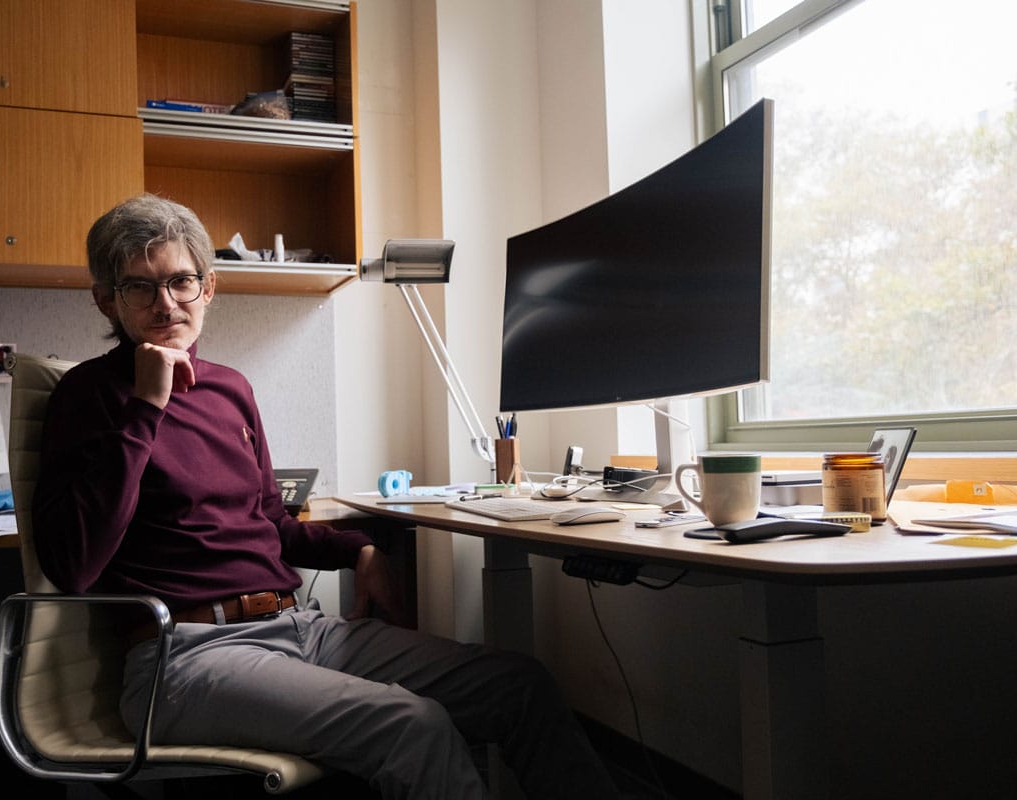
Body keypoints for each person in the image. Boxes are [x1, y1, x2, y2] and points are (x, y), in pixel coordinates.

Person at [32, 194, 622, 799]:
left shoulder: (230, 390)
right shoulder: (88, 395)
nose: (165, 304)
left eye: (181, 281)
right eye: (139, 287)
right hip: (183, 658)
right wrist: (145, 407)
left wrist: (359, 550)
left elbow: (269, 522)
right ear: (107, 299)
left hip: (297, 627)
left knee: (521, 685)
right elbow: (74, 565)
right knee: (413, 726)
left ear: (208, 288)